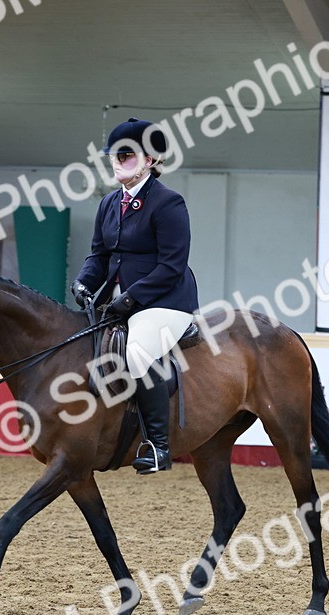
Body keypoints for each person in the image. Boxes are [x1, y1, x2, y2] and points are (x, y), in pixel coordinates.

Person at [71, 118, 199, 474]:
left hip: (164, 300)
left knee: (139, 353)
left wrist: (131, 297)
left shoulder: (168, 203)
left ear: (150, 160)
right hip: (117, 299)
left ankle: (158, 446)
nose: (117, 161)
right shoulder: (109, 203)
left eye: (125, 155)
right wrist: (83, 282)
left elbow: (172, 265)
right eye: (113, 155)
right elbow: (99, 255)